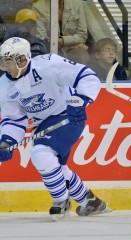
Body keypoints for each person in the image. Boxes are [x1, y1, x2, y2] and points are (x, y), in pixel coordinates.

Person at [0, 37, 112, 220]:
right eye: (3, 61)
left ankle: (61, 201)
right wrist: (7, 141)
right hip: (42, 124)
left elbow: (86, 75)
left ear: (22, 59)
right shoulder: (4, 85)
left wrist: (81, 100)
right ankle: (89, 201)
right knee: (56, 166)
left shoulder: (48, 65)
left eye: (9, 61)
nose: (5, 66)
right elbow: (14, 119)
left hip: (67, 116)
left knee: (40, 154)